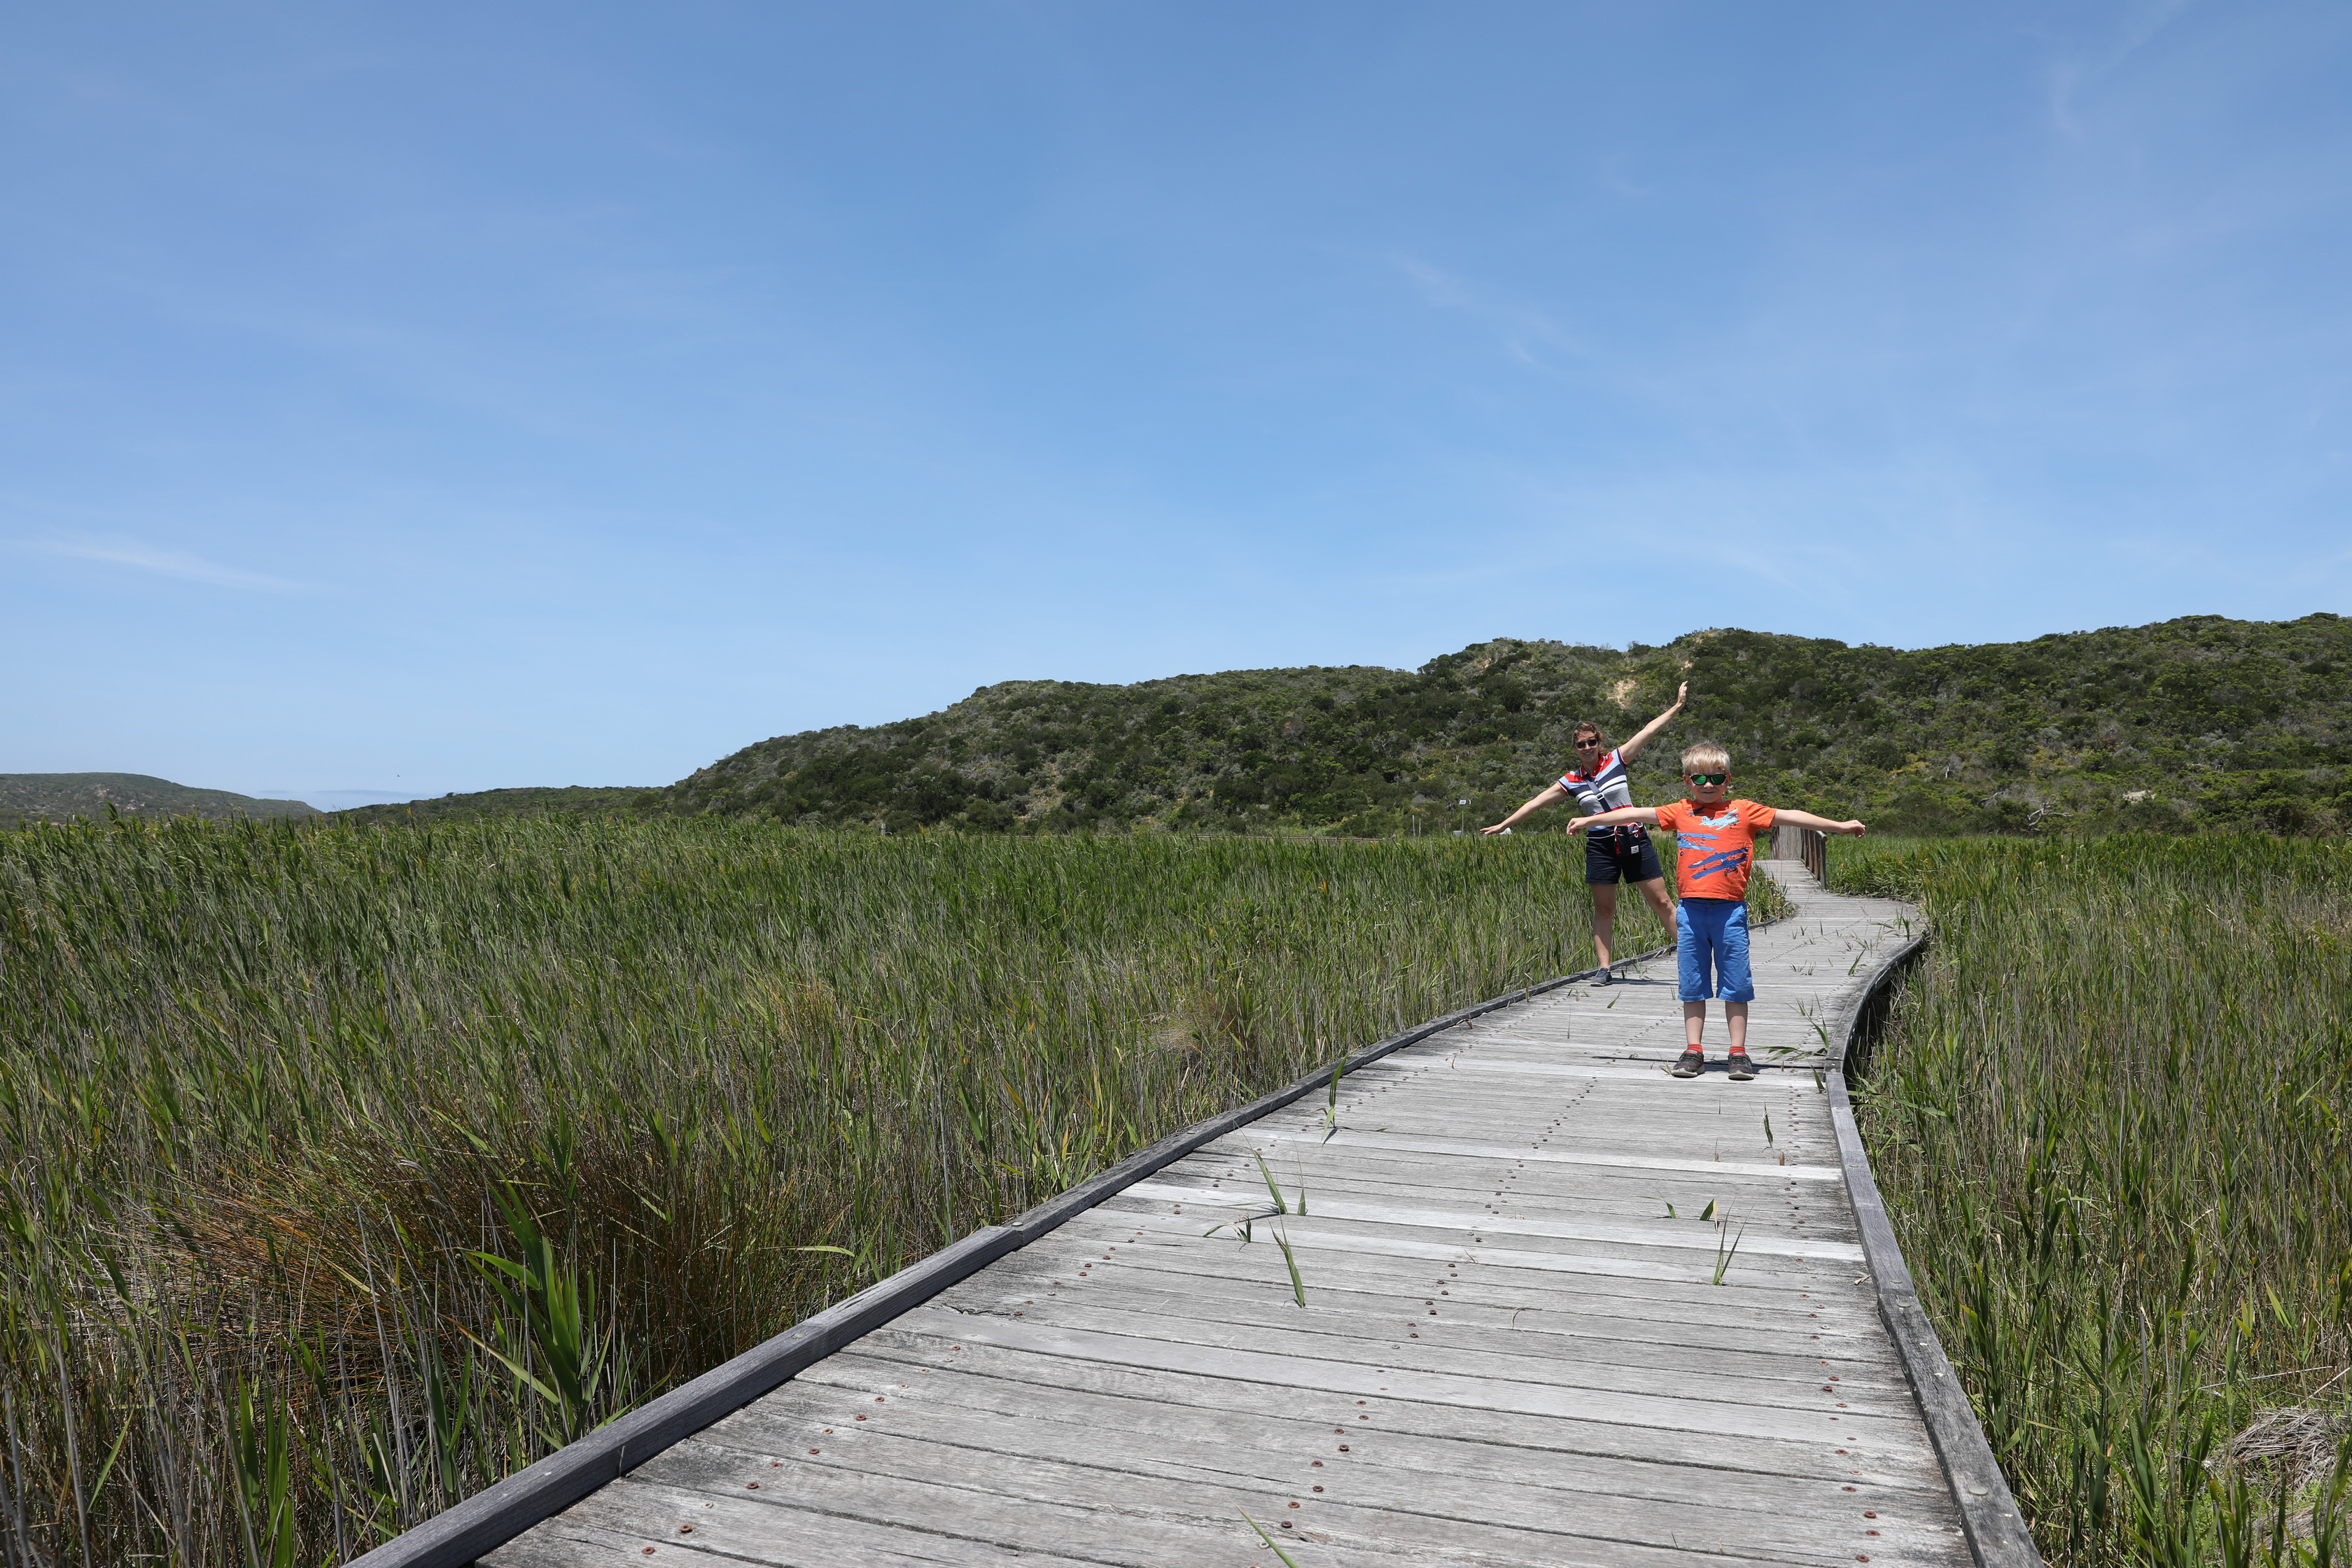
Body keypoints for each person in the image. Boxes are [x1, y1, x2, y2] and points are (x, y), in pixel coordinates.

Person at [1564, 743, 1865, 1081]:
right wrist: (1590, 819)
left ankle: (1738, 1052)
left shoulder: (1745, 810)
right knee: (1692, 984)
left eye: (1717, 778)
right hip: (1690, 913)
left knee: (1735, 984)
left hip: (1730, 912)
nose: (1708, 785)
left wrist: (1839, 825)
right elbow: (1633, 814)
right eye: (1700, 778)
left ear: (1728, 780)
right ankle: (1694, 1051)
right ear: (1687, 781)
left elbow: (1791, 816)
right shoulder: (1679, 811)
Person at [1481, 683, 1688, 981]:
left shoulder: (1617, 760)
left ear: (1599, 742)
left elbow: (1648, 731)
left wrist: (1677, 706)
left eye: (1592, 742)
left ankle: (1689, 959)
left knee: (1662, 902)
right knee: (1604, 908)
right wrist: (1505, 825)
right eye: (1581, 745)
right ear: (1575, 749)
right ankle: (1604, 969)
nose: (1588, 748)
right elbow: (1536, 802)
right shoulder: (1571, 780)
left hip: (1634, 840)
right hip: (1601, 847)